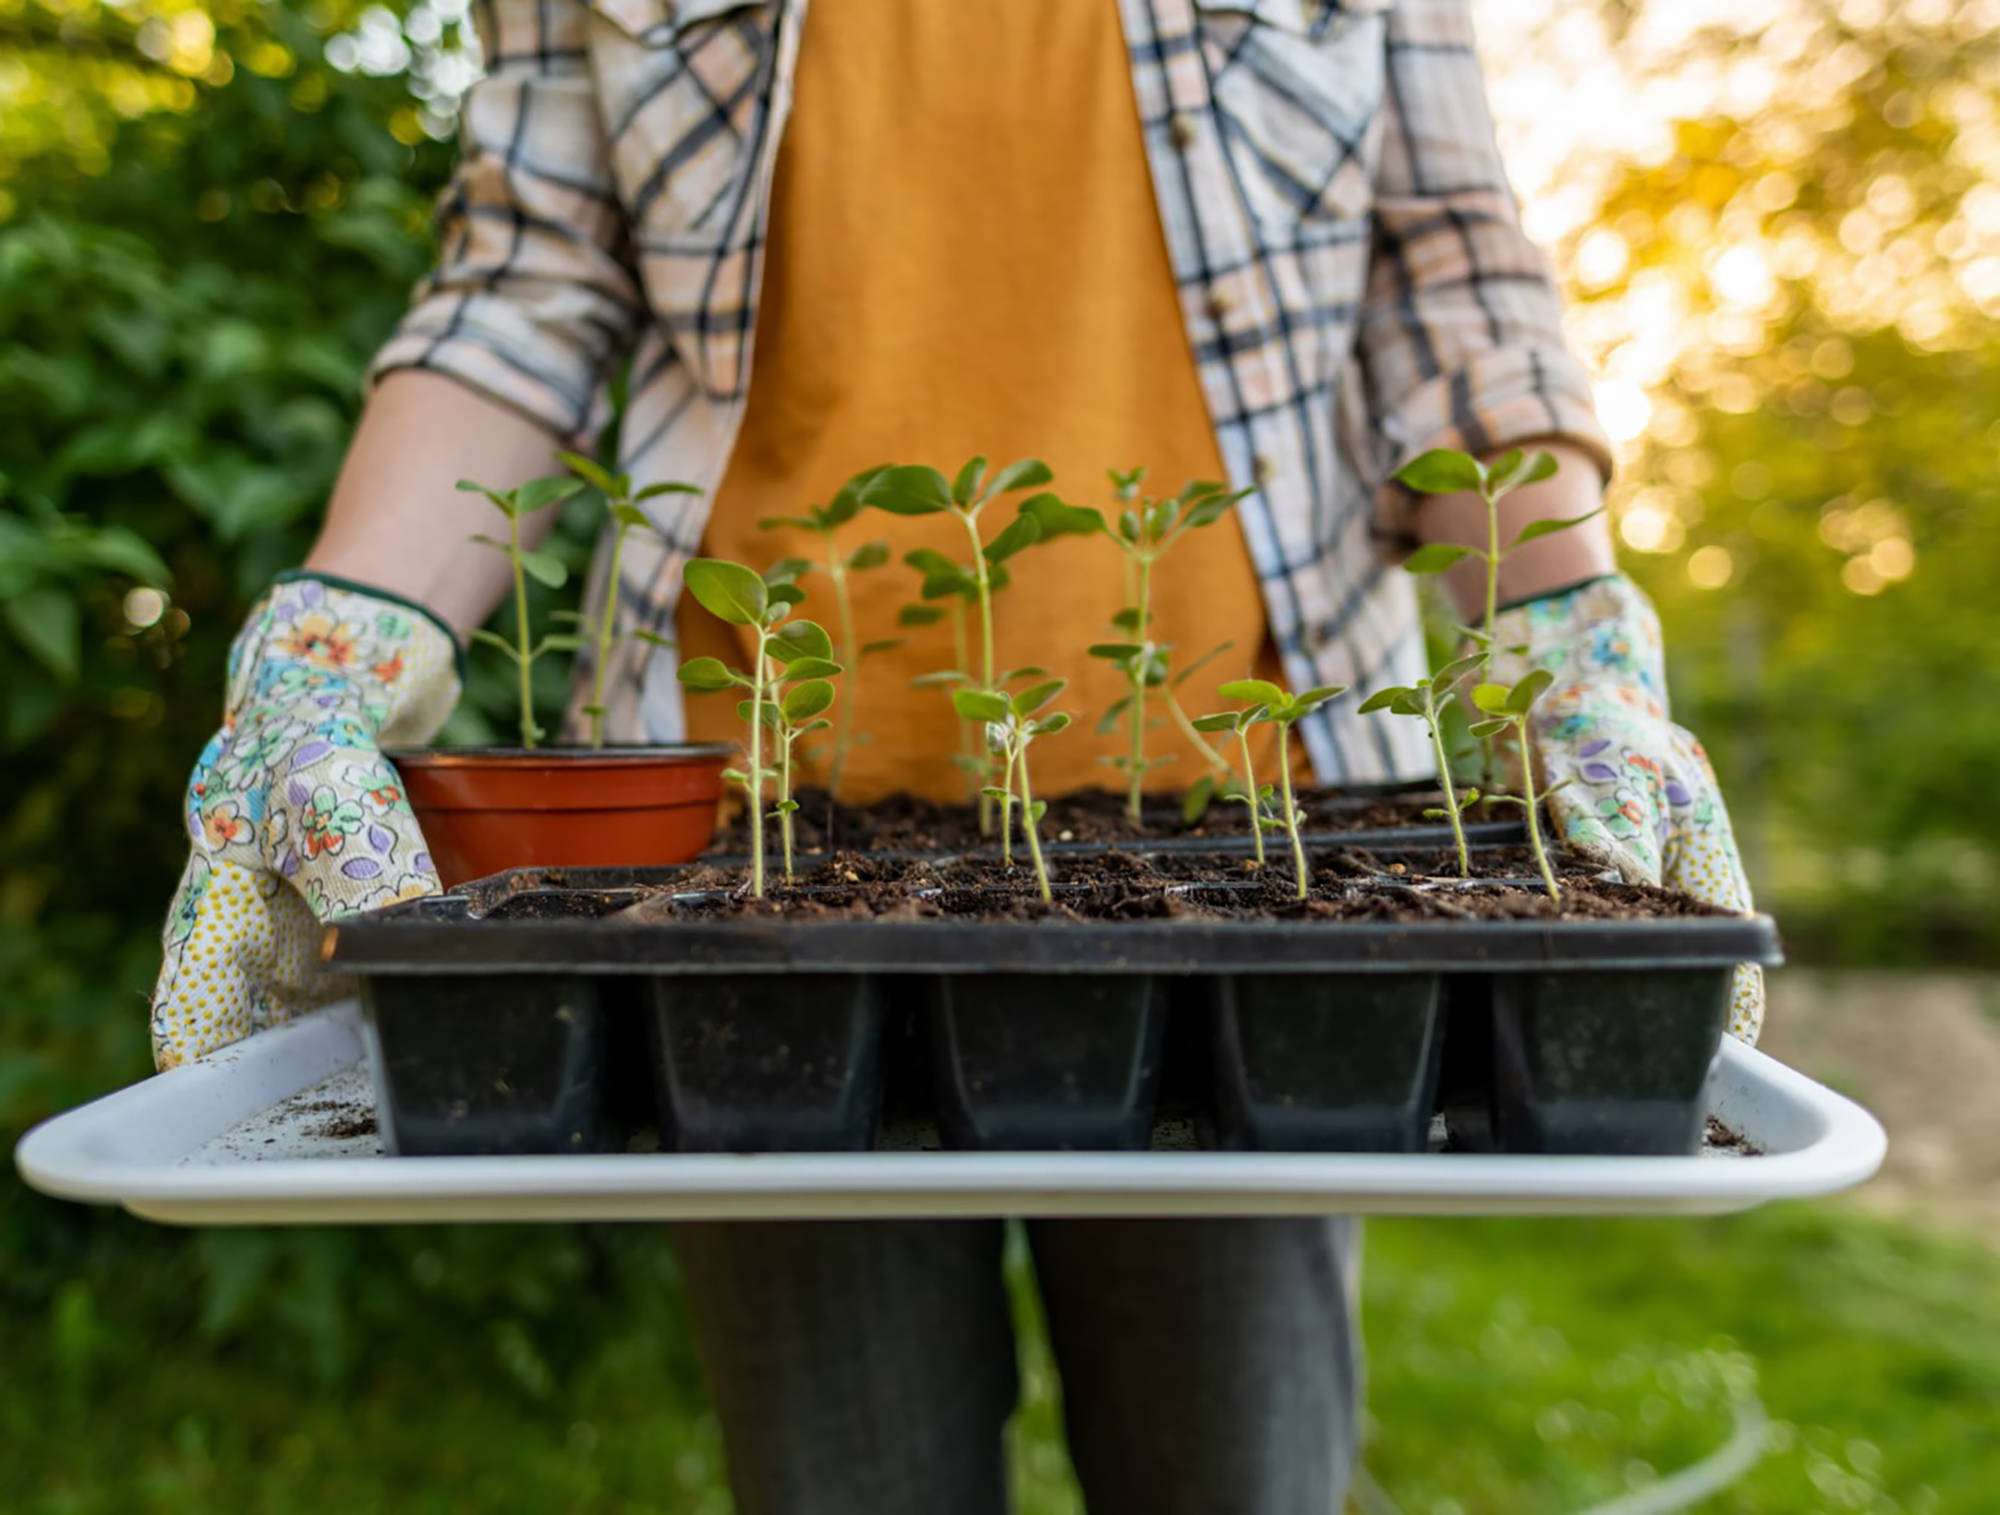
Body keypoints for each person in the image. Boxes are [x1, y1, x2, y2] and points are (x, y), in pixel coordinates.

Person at [147, 1, 1764, 1509]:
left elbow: (1454, 289)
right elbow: (529, 279)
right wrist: (331, 660)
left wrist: (1576, 651)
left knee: (1239, 1464)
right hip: (745, 871)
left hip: (1263, 858)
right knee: (846, 1468)